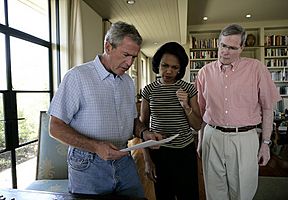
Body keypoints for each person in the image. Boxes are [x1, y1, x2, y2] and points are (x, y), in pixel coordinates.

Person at [48, 21, 162, 198]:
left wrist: (145, 133)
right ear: (108, 46)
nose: (129, 63)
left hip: (124, 157)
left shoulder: (127, 82)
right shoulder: (77, 76)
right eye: (125, 55)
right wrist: (95, 147)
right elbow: (55, 127)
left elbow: (132, 121)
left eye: (133, 57)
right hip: (87, 163)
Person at [195, 24, 281, 200]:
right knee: (214, 191)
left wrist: (265, 144)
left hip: (245, 138)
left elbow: (267, 107)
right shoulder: (204, 73)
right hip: (212, 136)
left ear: (242, 48)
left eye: (232, 48)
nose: (225, 52)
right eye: (223, 45)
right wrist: (200, 139)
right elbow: (202, 112)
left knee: (243, 192)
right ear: (218, 44)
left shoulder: (256, 68)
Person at [139, 41, 202, 200]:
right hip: (160, 152)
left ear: (180, 69)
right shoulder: (149, 90)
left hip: (185, 151)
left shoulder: (188, 88)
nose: (168, 71)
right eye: (164, 65)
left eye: (174, 67)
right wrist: (147, 160)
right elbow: (143, 126)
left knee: (188, 196)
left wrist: (185, 105)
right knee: (163, 195)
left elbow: (197, 124)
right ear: (157, 65)